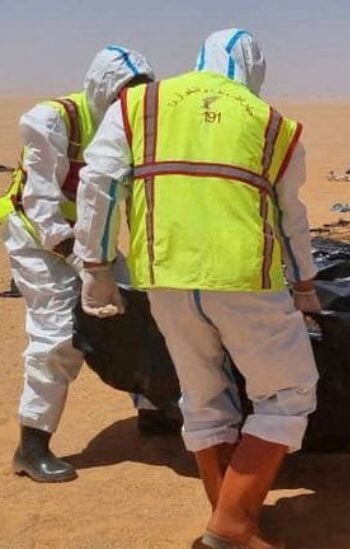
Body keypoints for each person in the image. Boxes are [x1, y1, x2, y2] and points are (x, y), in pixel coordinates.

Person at [74, 29, 320, 546]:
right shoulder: (275, 124)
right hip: (245, 278)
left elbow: (99, 184)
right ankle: (231, 524)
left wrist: (95, 266)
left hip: (165, 277)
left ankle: (235, 517)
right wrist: (304, 285)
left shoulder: (139, 104)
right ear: (253, 72)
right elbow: (290, 217)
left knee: (205, 397)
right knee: (287, 395)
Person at [0, 46, 175, 484]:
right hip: (38, 239)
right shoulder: (54, 120)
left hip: (93, 241)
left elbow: (135, 202)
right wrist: (85, 261)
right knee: (58, 332)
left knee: (143, 315)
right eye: (122, 94)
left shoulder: (139, 128)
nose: (129, 103)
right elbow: (40, 202)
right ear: (102, 89)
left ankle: (154, 413)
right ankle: (32, 444)